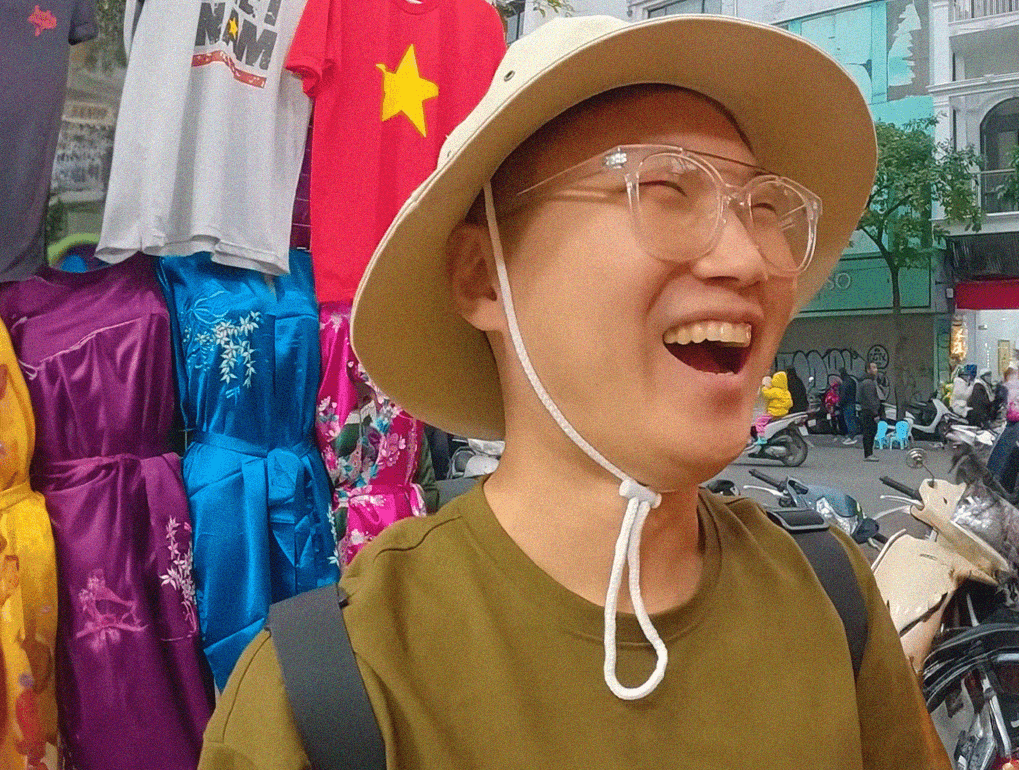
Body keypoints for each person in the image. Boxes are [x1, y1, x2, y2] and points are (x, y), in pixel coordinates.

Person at [198, 15, 950, 770]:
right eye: (663, 187)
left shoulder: (828, 596)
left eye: (762, 209)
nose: (748, 259)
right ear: (483, 277)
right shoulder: (335, 688)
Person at [752, 370, 792, 444]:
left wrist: (764, 387)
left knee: (759, 422)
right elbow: (790, 404)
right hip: (783, 413)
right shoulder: (786, 392)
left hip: (773, 412)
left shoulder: (775, 391)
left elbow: (766, 394)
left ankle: (762, 438)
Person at [859, 362, 883, 462]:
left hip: (867, 410)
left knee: (870, 432)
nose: (876, 369)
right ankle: (868, 454)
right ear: (868, 370)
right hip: (869, 411)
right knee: (869, 432)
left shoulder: (869, 381)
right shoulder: (868, 383)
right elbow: (871, 399)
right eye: (874, 367)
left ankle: (869, 453)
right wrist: (875, 412)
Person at [838, 366, 859, 444]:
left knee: (849, 420)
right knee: (851, 419)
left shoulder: (845, 383)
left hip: (847, 404)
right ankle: (852, 435)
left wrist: (840, 403)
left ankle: (851, 436)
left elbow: (843, 395)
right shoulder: (851, 381)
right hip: (851, 402)